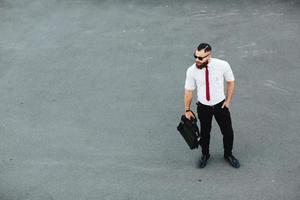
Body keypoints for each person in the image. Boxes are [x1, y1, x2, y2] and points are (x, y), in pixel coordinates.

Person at [184, 43, 240, 168]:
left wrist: (228, 101)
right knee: (205, 133)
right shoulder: (192, 71)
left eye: (200, 58)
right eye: (196, 56)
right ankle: (205, 154)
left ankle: (228, 154)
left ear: (209, 56)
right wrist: (187, 110)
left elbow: (230, 81)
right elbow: (188, 91)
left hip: (220, 105)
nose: (197, 60)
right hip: (203, 107)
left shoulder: (222, 65)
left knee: (228, 132)